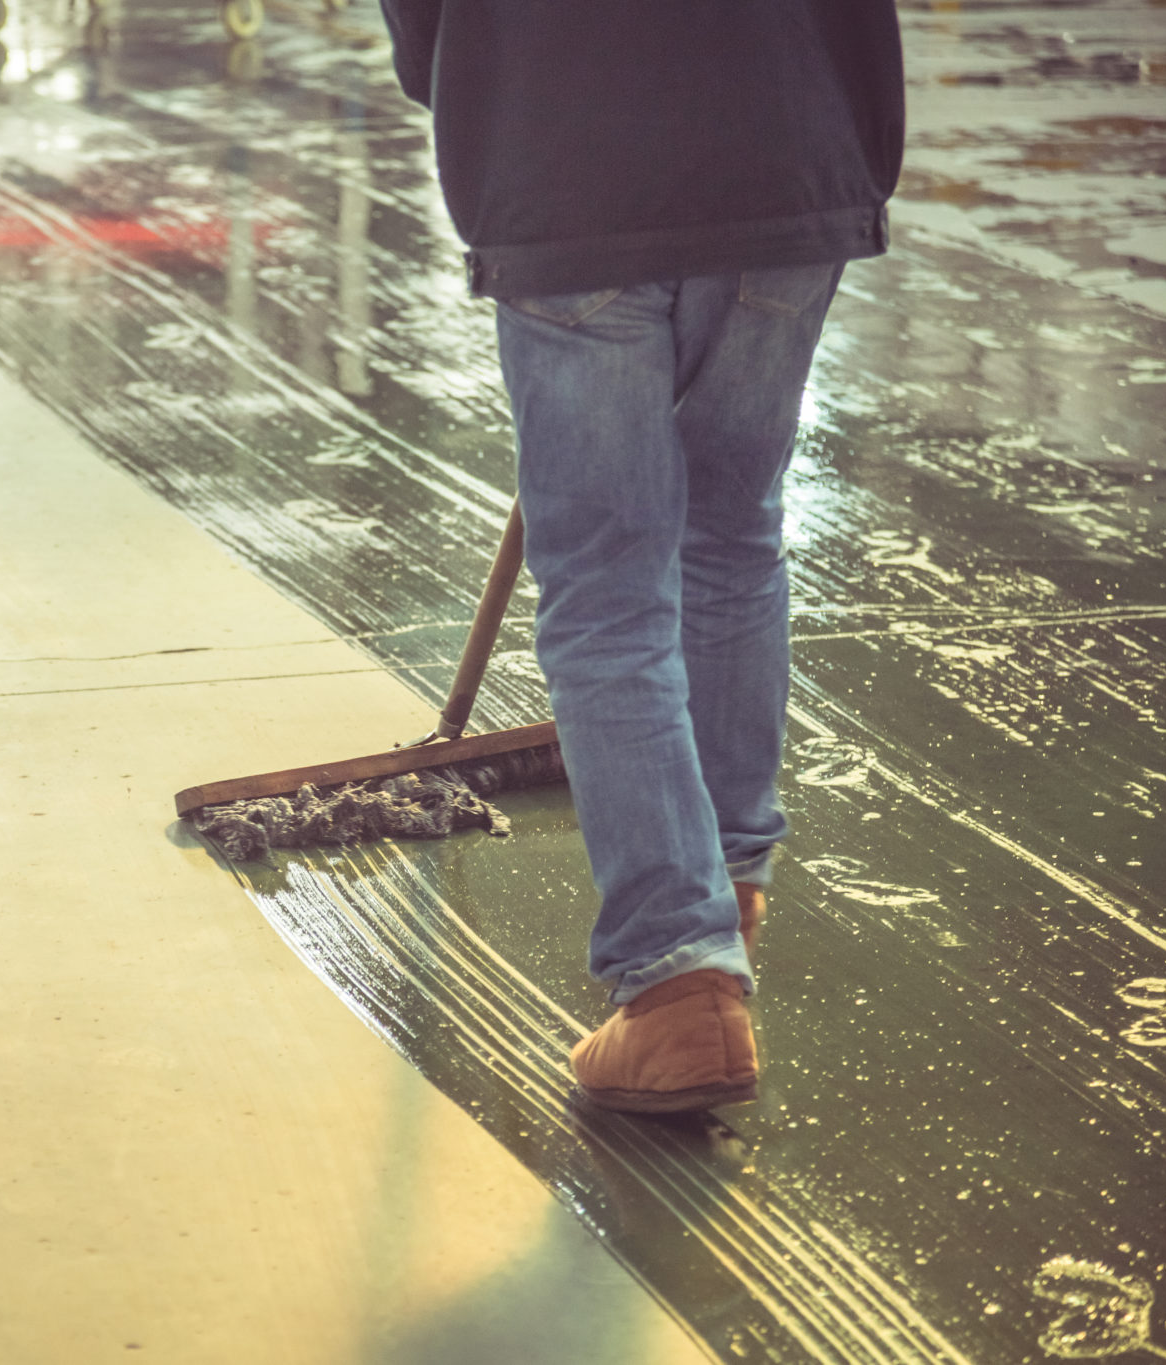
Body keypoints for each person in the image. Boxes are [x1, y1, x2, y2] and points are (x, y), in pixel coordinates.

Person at [377, 0, 904, 1112]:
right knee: (730, 532)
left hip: (569, 164)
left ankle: (675, 978)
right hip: (786, 153)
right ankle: (726, 887)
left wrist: (490, 91)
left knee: (608, 587)